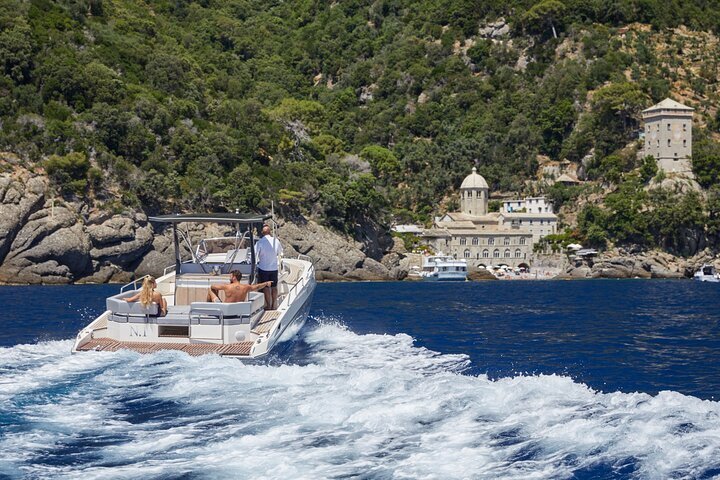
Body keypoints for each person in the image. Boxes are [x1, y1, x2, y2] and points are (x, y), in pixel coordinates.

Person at [254, 224, 283, 310]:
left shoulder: (259, 242)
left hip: (263, 268)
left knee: (266, 287)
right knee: (274, 287)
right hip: (274, 268)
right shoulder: (276, 241)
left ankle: (269, 306)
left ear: (262, 233)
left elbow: (255, 255)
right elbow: (280, 252)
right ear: (270, 232)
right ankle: (274, 304)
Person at [206, 270, 271, 303]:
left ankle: (209, 308)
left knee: (210, 290)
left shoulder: (227, 286)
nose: (229, 278)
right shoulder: (245, 287)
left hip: (225, 311)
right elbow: (257, 287)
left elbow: (212, 286)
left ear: (234, 277)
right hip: (238, 312)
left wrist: (217, 290)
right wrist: (266, 283)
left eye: (230, 276)